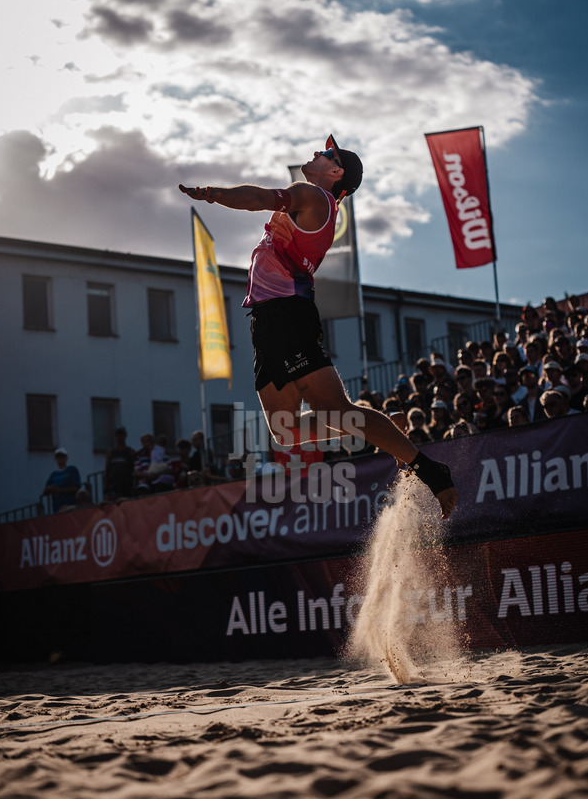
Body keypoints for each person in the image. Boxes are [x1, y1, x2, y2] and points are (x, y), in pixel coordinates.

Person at [179, 137, 456, 518]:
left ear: (336, 172)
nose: (315, 154)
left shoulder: (312, 196)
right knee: (285, 431)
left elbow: (258, 197)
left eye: (326, 154)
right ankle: (378, 433)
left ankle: (424, 465)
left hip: (287, 315)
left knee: (338, 410)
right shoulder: (318, 203)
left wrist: (212, 193)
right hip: (268, 320)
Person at [41, 449, 81, 514]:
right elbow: (45, 491)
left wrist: (59, 490)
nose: (60, 458)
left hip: (70, 506)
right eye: (58, 456)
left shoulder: (72, 470)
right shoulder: (54, 474)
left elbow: (76, 487)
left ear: (66, 458)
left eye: (62, 456)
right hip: (57, 508)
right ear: (55, 459)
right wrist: (49, 489)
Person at [103, 427, 136, 501]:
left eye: (122, 435)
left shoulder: (130, 452)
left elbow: (135, 468)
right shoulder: (110, 453)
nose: (120, 437)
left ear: (125, 435)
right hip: (113, 485)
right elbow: (106, 471)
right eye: (118, 435)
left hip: (127, 485)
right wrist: (106, 487)